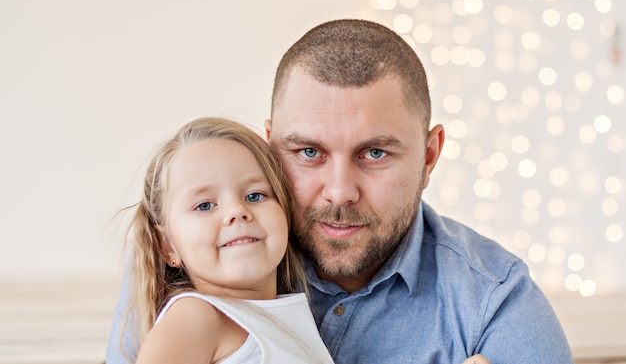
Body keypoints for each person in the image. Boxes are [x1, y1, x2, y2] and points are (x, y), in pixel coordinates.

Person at [107, 19, 573, 363]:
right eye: (309, 152)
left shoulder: (493, 299)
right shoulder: (196, 269)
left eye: (375, 154)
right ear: (270, 150)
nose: (339, 192)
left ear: (429, 157)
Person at [120, 117, 335, 363]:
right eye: (204, 205)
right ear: (166, 245)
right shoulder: (195, 317)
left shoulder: (292, 323)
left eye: (255, 195)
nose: (236, 210)